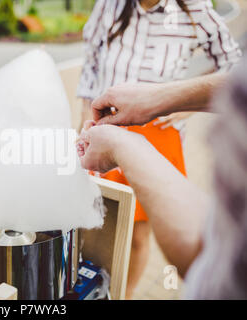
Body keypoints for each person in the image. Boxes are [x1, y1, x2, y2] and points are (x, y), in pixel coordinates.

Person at [77, 0, 241, 298]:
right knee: (98, 226)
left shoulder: (195, 8)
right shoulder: (109, 5)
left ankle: (124, 295)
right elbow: (91, 60)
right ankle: (98, 291)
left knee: (138, 235)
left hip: (159, 136)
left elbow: (232, 62)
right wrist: (83, 115)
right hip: (104, 128)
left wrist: (182, 104)